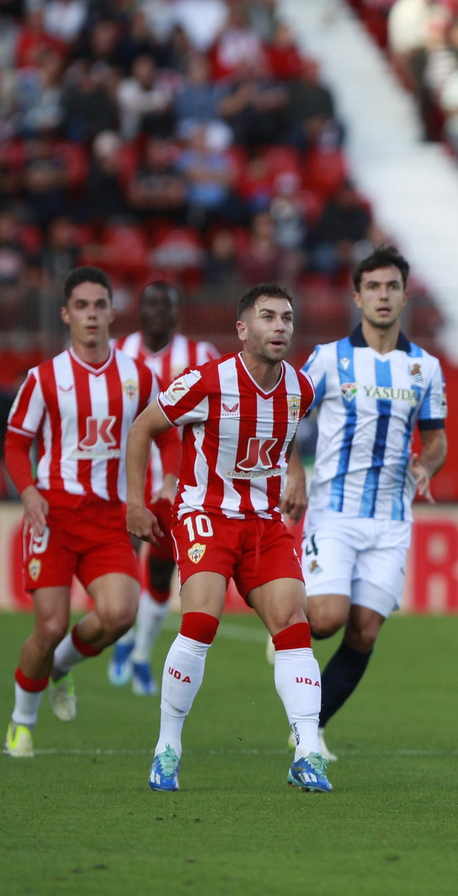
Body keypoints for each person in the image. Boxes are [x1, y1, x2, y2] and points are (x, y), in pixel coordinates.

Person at [125, 283, 329, 793]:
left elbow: (282, 442)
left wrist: (296, 472)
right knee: (200, 621)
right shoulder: (206, 381)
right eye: (267, 317)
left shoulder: (299, 389)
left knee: (293, 623)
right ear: (243, 329)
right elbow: (141, 429)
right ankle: (167, 749)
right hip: (205, 514)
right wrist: (134, 502)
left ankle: (307, 753)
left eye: (286, 317)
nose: (280, 326)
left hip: (263, 521)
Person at [288, 245, 447, 759]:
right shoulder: (328, 358)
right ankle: (285, 624)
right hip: (334, 510)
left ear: (405, 296)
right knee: (327, 618)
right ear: (357, 296)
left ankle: (308, 730)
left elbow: (437, 437)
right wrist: (292, 469)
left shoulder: (425, 368)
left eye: (392, 286)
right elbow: (288, 414)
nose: (383, 296)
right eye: (373, 287)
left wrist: (428, 465)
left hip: (392, 517)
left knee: (364, 631)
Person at [1, 267, 162, 758]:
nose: (92, 315)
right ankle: (21, 723)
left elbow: (169, 429)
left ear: (113, 312)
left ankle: (62, 668)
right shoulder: (44, 377)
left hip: (109, 517)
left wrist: (170, 477)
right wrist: (28, 491)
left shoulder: (137, 375)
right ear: (66, 314)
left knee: (120, 614)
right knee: (48, 628)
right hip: (55, 516)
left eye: (100, 305)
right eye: (82, 306)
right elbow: (14, 443)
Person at [109, 282, 220, 695]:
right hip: (122, 484)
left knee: (159, 572)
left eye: (167, 304)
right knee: (117, 571)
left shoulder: (201, 356)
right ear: (138, 309)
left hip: (177, 488)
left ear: (177, 312)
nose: (158, 311)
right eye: (151, 303)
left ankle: (139, 653)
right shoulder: (118, 355)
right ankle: (122, 640)